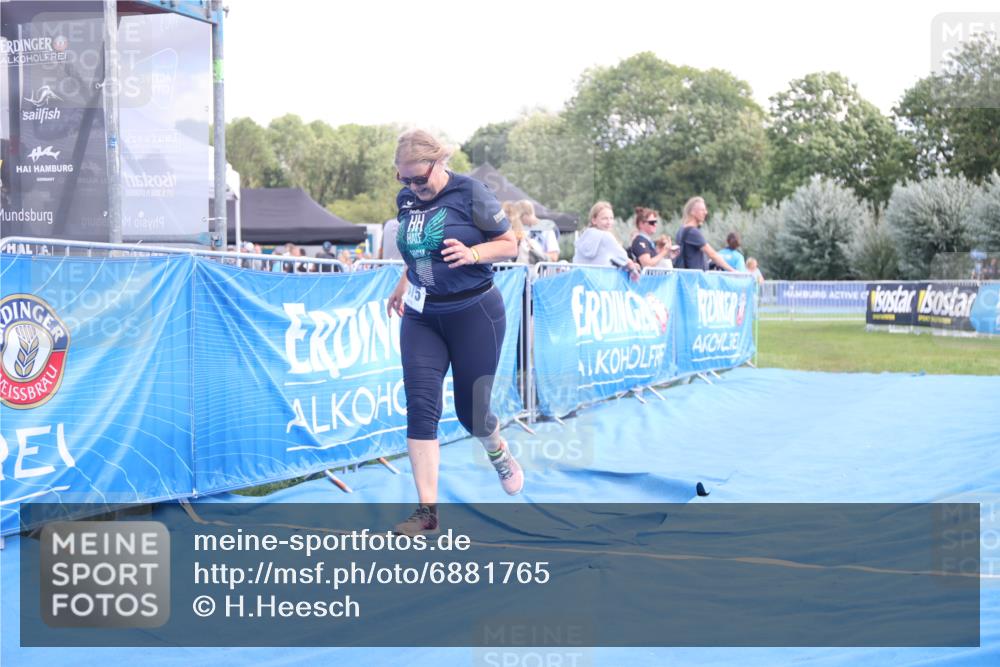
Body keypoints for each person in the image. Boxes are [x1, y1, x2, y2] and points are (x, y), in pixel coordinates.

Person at [387, 129, 522, 536]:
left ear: (439, 162)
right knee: (421, 408)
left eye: (419, 178)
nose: (413, 187)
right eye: (404, 180)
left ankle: (498, 451)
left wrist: (474, 253)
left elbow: (509, 243)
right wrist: (403, 282)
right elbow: (419, 250)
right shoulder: (406, 200)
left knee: (473, 414)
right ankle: (427, 513)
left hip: (474, 312)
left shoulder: (472, 193)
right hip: (423, 316)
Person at [573, 201, 640, 280]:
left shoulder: (583, 237)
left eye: (611, 218)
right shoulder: (606, 236)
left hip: (580, 280)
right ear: (594, 220)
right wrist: (634, 267)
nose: (609, 222)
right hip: (600, 283)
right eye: (604, 218)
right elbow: (623, 258)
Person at [674, 197, 736, 272]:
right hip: (694, 279)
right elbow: (712, 254)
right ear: (692, 212)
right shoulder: (693, 232)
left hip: (684, 277)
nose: (705, 212)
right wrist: (733, 271)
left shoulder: (681, 230)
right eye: (702, 210)